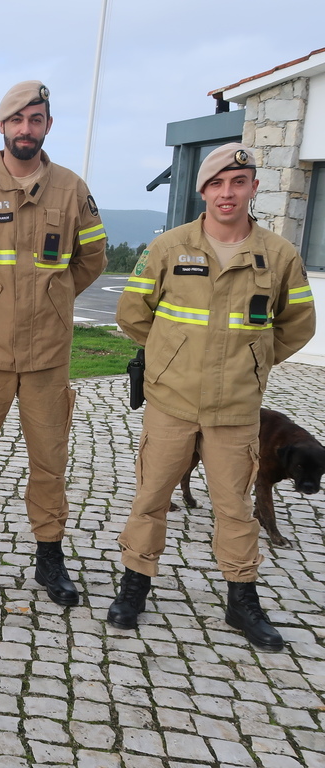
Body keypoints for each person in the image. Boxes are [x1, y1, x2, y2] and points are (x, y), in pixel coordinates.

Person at [110, 143, 316, 650]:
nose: (227, 193)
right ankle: (135, 585)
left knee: (235, 507)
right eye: (217, 184)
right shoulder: (168, 248)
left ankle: (241, 600)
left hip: (236, 410)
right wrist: (169, 358)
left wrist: (254, 361)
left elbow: (299, 325)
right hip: (171, 403)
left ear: (252, 188)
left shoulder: (280, 255)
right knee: (152, 498)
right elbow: (132, 315)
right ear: (203, 190)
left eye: (238, 182)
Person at [0, 82, 107, 605]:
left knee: (50, 464)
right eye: (16, 120)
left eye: (36, 119)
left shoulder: (73, 191)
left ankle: (50, 561)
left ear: (48, 125)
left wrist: (53, 301)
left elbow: (91, 259)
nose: (25, 129)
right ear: (1, 127)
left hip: (47, 359)